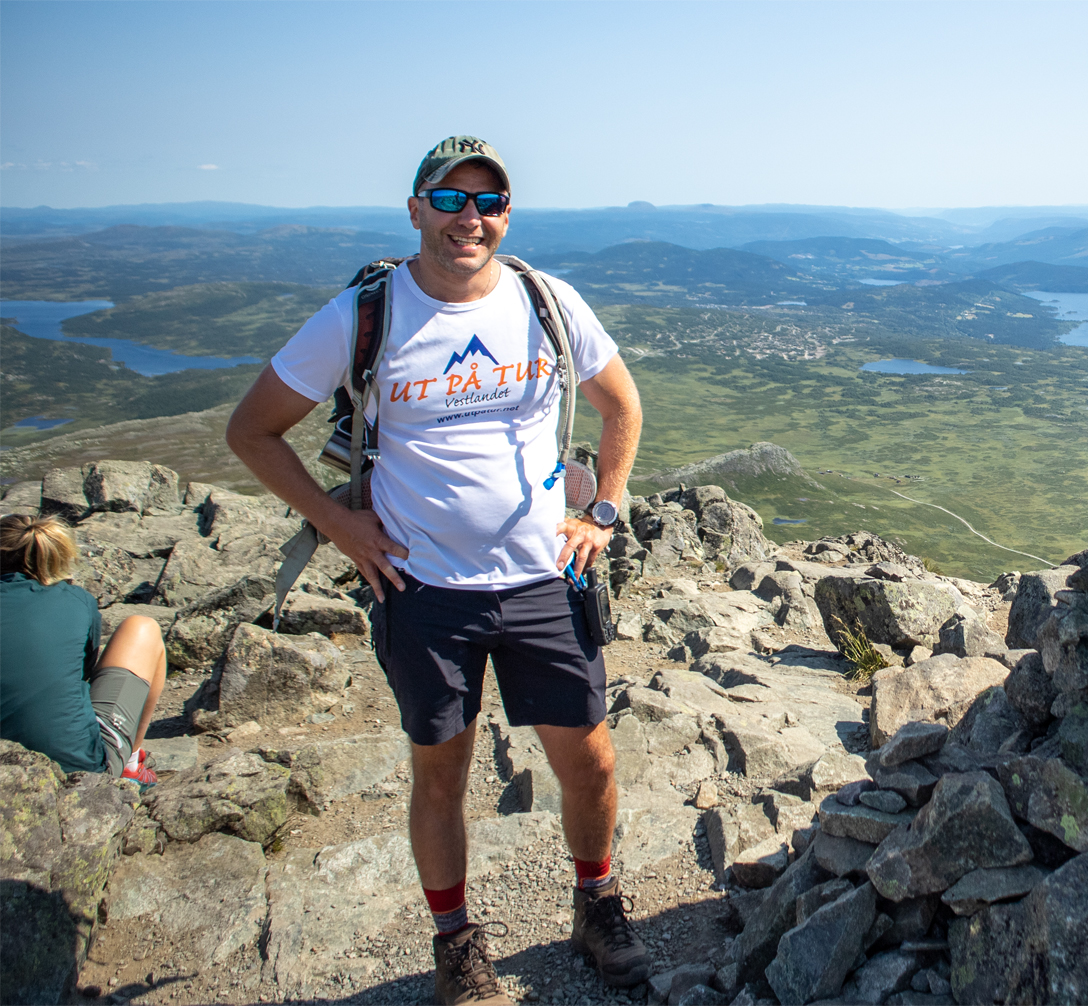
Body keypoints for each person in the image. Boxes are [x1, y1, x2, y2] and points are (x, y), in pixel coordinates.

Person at [225, 136, 646, 1006]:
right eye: (448, 201)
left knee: (591, 763)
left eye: (487, 201)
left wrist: (602, 512)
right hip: (423, 593)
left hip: (542, 582)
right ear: (414, 209)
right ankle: (456, 943)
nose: (470, 218)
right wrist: (340, 525)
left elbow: (622, 405)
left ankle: (595, 901)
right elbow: (251, 429)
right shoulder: (364, 317)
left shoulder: (547, 302)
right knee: (441, 774)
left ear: (506, 213)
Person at [0, 514, 168, 791]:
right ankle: (129, 763)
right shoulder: (76, 600)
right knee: (143, 628)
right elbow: (83, 674)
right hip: (80, 770)